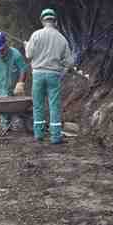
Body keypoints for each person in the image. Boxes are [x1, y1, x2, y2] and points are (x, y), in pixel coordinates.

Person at [24, 8, 74, 144]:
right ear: (55, 21)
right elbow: (69, 62)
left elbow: (28, 55)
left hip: (38, 75)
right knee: (54, 105)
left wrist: (26, 46)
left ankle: (39, 134)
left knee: (38, 105)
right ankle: (56, 137)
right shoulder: (62, 38)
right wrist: (63, 67)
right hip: (54, 75)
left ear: (42, 20)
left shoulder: (36, 35)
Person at [0, 31, 29, 133]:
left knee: (18, 112)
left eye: (2, 49)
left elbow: (23, 69)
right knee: (4, 111)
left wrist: (20, 83)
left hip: (15, 88)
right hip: (1, 88)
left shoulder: (15, 54)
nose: (1, 52)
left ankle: (18, 123)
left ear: (6, 44)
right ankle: (5, 125)